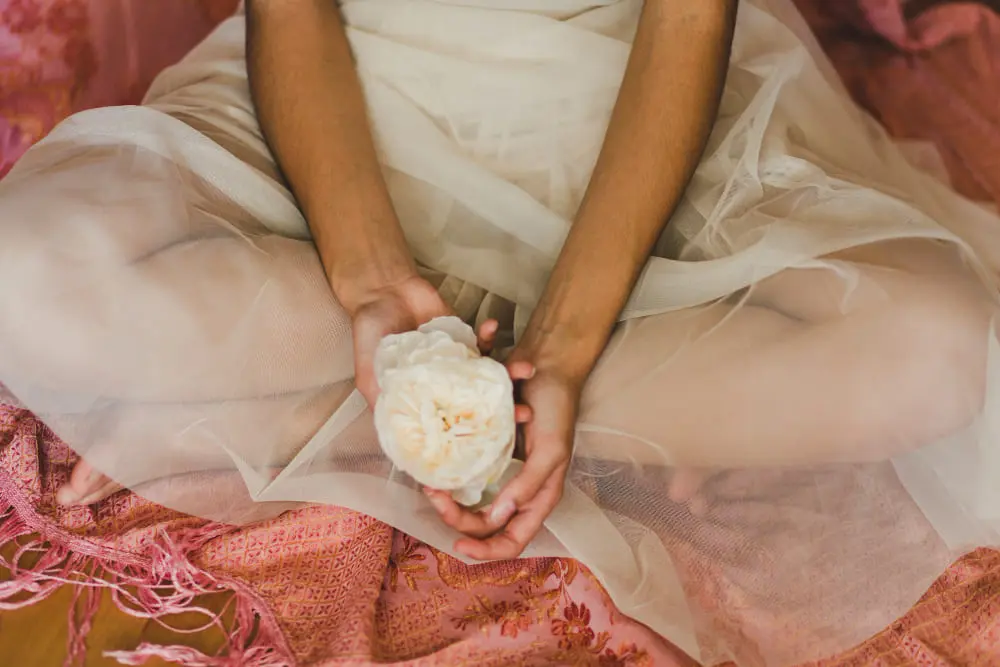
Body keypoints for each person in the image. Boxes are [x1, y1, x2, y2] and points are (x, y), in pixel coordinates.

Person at [2, 0, 998, 663]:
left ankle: (342, 415)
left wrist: (566, 341)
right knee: (22, 276)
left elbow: (684, 32)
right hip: (340, 105)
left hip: (639, 121)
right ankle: (469, 390)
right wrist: (376, 286)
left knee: (942, 356)